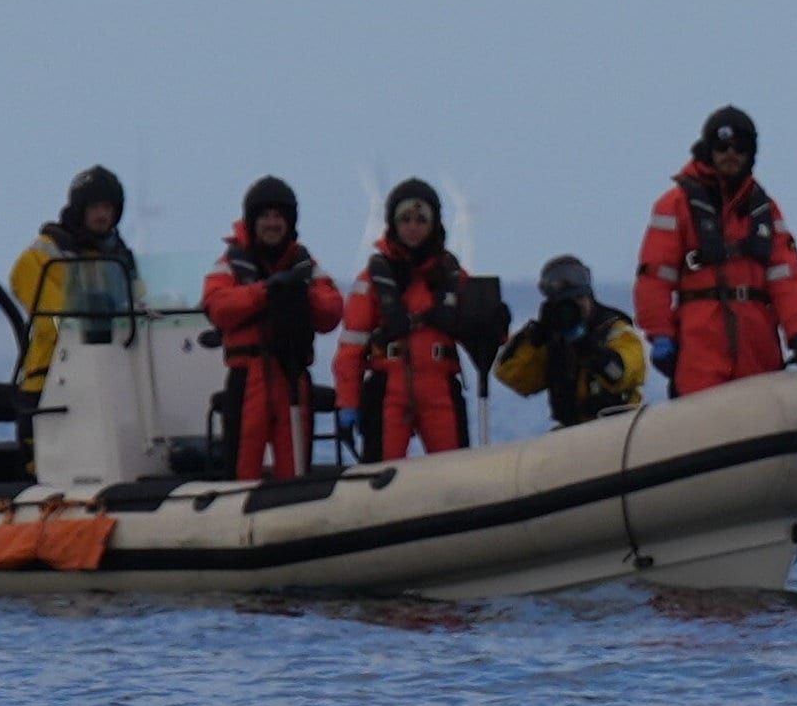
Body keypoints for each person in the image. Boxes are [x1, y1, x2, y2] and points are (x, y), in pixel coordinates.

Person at [633, 106, 797, 396]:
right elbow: (654, 278)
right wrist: (660, 335)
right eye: (722, 146)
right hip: (699, 346)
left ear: (751, 153)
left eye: (740, 148)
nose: (731, 154)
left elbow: (786, 278)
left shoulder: (765, 210)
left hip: (757, 346)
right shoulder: (675, 205)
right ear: (708, 149)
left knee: (761, 409)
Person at [335, 178, 489, 461]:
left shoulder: (455, 278)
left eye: (421, 219)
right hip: (389, 389)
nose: (413, 227)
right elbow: (351, 348)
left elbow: (485, 332)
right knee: (380, 475)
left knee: (454, 472)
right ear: (393, 224)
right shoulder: (371, 280)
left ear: (434, 224)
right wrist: (348, 402)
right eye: (405, 219)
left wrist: (495, 319)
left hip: (440, 387)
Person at [201, 177, 343, 481]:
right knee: (242, 471)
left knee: (296, 472)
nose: (272, 223)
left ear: (290, 222)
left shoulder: (305, 266)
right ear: (252, 220)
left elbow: (331, 313)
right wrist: (266, 291)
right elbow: (218, 307)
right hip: (247, 376)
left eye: (278, 216)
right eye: (265, 216)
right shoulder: (228, 265)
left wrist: (300, 294)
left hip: (291, 375)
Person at [10, 165, 140, 401]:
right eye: (94, 207)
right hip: (51, 380)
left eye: (107, 207)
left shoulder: (119, 257)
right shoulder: (43, 254)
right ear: (80, 209)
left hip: (114, 377)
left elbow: (138, 305)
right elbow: (55, 321)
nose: (102, 214)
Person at [495, 255, 645, 426]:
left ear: (590, 297)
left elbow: (621, 373)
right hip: (571, 433)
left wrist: (591, 351)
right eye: (566, 305)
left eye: (579, 301)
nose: (574, 310)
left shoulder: (615, 330)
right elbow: (512, 376)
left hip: (616, 427)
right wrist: (534, 338)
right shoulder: (553, 339)